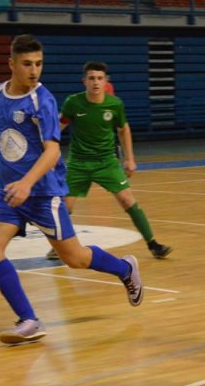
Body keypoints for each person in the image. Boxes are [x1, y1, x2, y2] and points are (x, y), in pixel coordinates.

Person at [0, 35, 144, 345]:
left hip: (42, 194)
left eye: (39, 64)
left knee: (75, 258)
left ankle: (124, 268)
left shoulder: (43, 100)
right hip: (7, 191)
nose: (34, 70)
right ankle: (29, 320)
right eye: (27, 64)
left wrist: (27, 183)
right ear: (11, 64)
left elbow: (52, 151)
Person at [46, 61, 171, 261]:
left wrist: (130, 159)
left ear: (106, 81)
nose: (95, 82)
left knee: (127, 199)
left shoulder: (114, 104)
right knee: (65, 206)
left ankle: (153, 244)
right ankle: (58, 247)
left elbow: (123, 129)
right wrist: (46, 148)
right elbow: (57, 127)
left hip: (107, 162)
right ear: (84, 81)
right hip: (79, 163)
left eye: (99, 78)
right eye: (91, 78)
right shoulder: (73, 103)